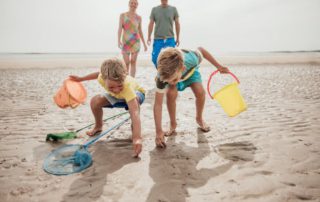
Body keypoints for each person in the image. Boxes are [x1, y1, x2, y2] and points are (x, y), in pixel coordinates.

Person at [153, 47, 230, 148]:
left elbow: (202, 50)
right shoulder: (162, 77)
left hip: (190, 74)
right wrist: (158, 131)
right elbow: (158, 104)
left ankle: (199, 118)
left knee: (200, 92)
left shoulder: (193, 58)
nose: (171, 82)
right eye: (169, 81)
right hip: (175, 74)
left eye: (173, 80)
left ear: (183, 68)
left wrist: (219, 66)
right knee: (171, 94)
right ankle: (173, 123)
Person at [69, 58, 145, 157]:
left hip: (136, 95)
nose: (116, 89)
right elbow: (97, 74)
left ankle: (134, 129)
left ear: (124, 77)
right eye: (111, 87)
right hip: (118, 98)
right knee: (94, 101)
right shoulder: (102, 77)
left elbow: (135, 112)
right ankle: (98, 126)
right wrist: (80, 79)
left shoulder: (127, 86)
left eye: (119, 85)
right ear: (104, 79)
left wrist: (137, 138)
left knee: (134, 107)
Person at [118, 0, 147, 77]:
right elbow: (120, 29)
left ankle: (132, 80)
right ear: (129, 4)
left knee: (133, 61)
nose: (133, 5)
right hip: (125, 41)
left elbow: (140, 31)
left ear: (137, 5)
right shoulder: (122, 15)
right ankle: (126, 78)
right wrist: (118, 40)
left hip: (136, 42)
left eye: (135, 3)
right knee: (126, 62)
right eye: (132, 3)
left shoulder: (139, 18)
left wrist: (144, 44)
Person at [147, 0, 180, 67]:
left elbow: (177, 24)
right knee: (155, 58)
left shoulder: (173, 9)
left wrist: (178, 38)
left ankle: (167, 75)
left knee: (171, 59)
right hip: (158, 39)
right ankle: (161, 71)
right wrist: (149, 36)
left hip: (170, 38)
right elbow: (151, 24)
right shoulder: (154, 9)